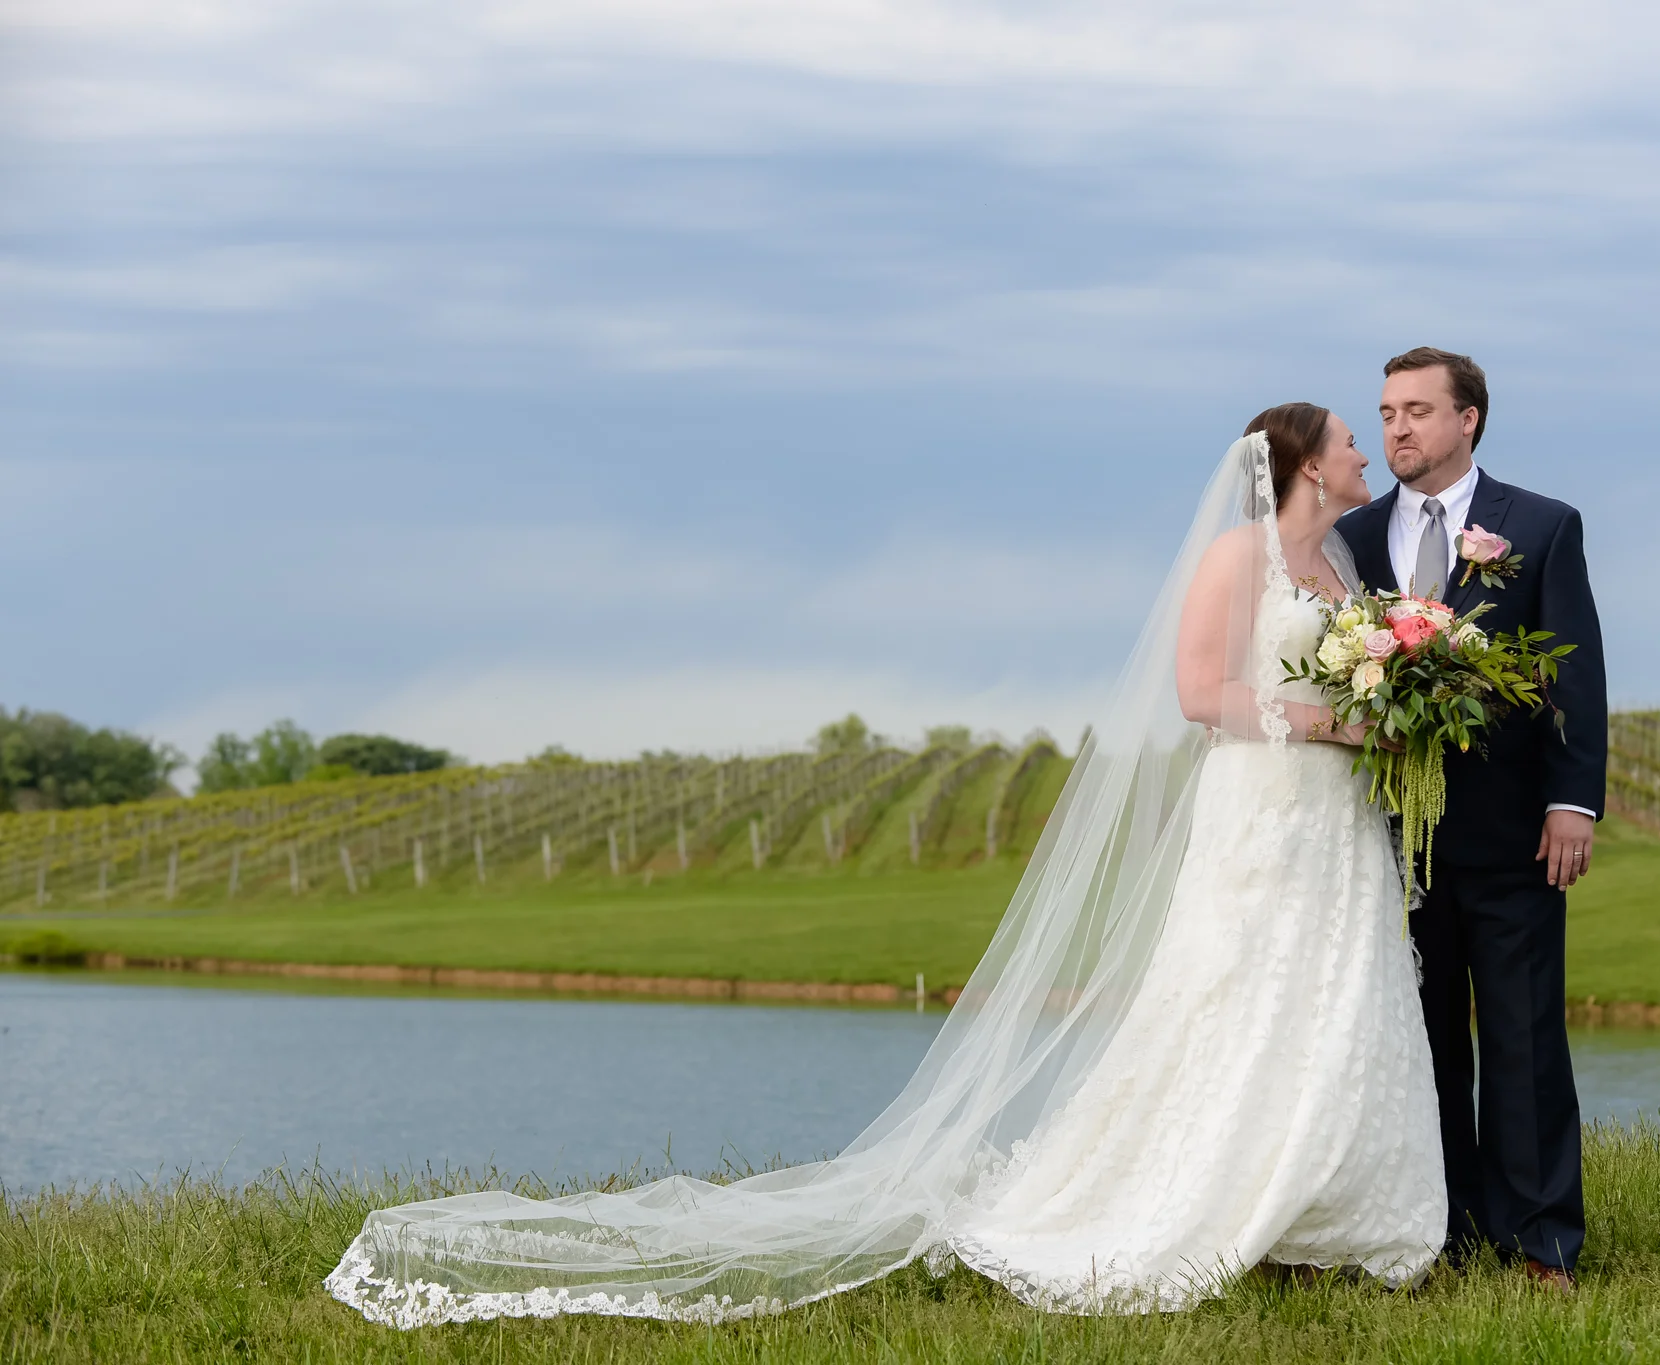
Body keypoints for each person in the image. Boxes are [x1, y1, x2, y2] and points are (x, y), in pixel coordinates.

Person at [326, 405, 1446, 1326]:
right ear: (1304, 463)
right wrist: (1334, 725)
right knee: (1234, 997)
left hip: (1336, 824)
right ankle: (1209, 1203)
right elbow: (1201, 694)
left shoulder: (1338, 563)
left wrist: (1388, 715)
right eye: (1351, 439)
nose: (1366, 450)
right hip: (1261, 815)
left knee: (1335, 1000)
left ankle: (1324, 1219)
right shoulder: (1236, 556)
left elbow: (1347, 676)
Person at [1336, 347, 1608, 1288]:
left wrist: (1572, 801)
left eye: (1416, 410)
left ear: (1468, 420)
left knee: (1524, 1038)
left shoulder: (1540, 525)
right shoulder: (1351, 536)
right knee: (1424, 1043)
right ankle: (1441, 1232)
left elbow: (1574, 672)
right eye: (1385, 413)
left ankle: (1542, 1243)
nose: (1397, 428)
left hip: (1512, 834)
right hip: (1389, 838)